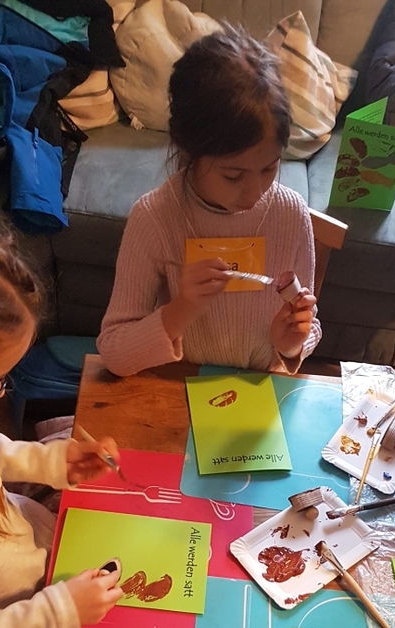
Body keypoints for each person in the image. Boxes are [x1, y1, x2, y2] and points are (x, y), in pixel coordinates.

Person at [97, 26, 320, 378]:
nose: (255, 193)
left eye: (269, 168)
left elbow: (308, 324)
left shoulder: (290, 214)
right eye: (233, 175)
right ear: (189, 150)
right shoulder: (154, 218)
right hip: (182, 385)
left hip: (260, 389)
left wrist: (291, 344)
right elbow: (113, 351)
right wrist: (181, 309)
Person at [0, 234, 123, 628]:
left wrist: (50, 463)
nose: (0, 394)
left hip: (30, 543)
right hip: (18, 622)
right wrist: (55, 613)